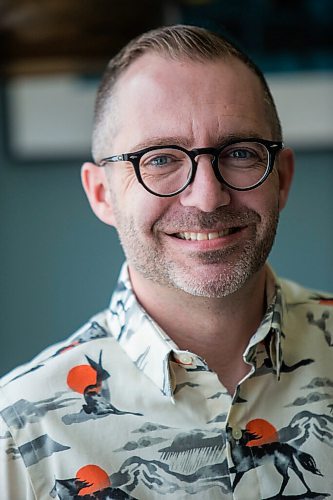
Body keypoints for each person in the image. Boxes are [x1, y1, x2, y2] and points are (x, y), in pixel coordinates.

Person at [1, 24, 333, 500]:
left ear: (281, 178)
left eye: (239, 152)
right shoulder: (17, 430)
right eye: (159, 159)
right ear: (102, 194)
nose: (207, 197)